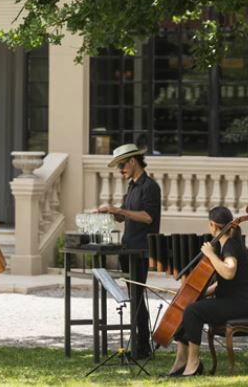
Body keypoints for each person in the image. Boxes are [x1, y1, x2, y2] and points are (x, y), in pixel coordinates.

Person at [167, 206, 248, 377]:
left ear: (213, 225)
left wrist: (210, 254)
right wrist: (196, 294)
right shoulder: (227, 244)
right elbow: (223, 283)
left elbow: (229, 272)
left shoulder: (229, 246)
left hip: (238, 304)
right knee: (189, 305)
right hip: (234, 301)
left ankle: (193, 363)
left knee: (193, 311)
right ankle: (181, 361)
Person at [97, 143, 162, 360]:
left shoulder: (150, 187)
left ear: (133, 161)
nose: (120, 170)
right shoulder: (132, 186)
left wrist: (119, 210)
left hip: (141, 249)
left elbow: (148, 217)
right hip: (128, 247)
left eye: (122, 165)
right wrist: (112, 213)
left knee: (137, 297)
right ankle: (140, 345)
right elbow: (125, 216)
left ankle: (142, 347)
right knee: (134, 297)